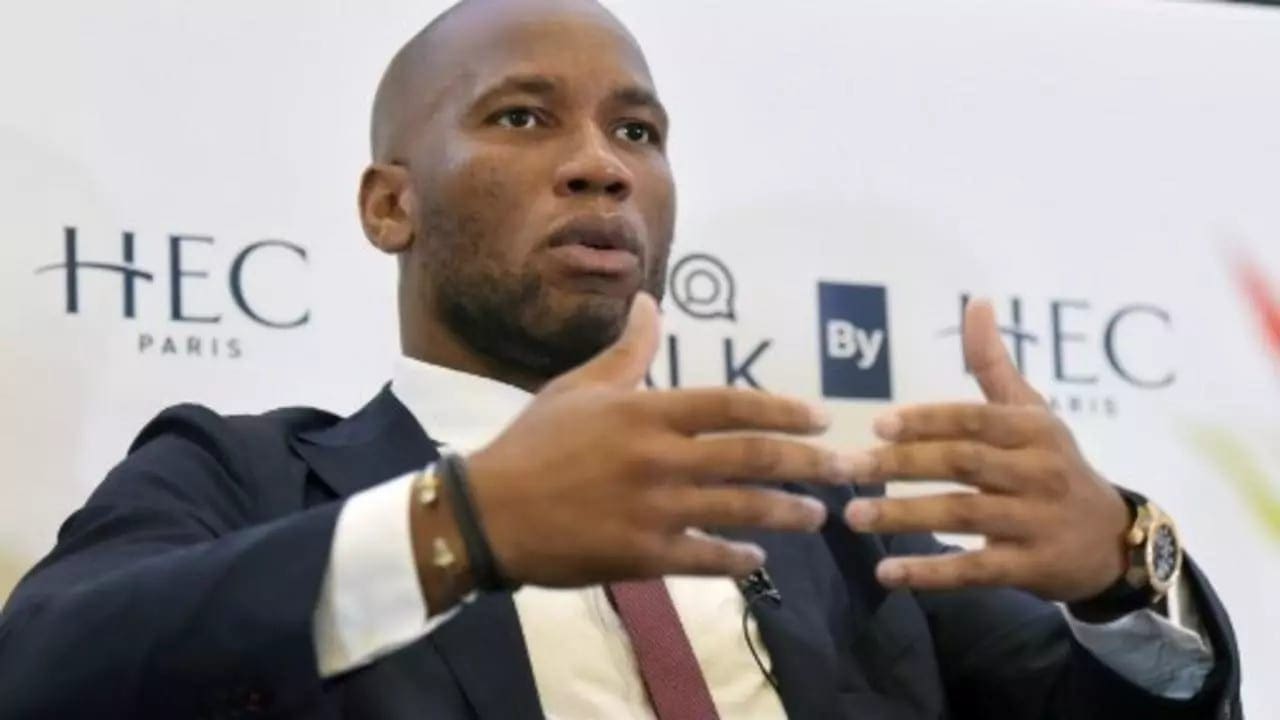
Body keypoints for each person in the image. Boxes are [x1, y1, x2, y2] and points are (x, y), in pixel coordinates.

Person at [0, 0, 1241, 718]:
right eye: (521, 117)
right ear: (389, 205)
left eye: (636, 130)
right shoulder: (246, 479)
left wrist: (1118, 567)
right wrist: (457, 530)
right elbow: (45, 676)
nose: (600, 164)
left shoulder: (826, 518)